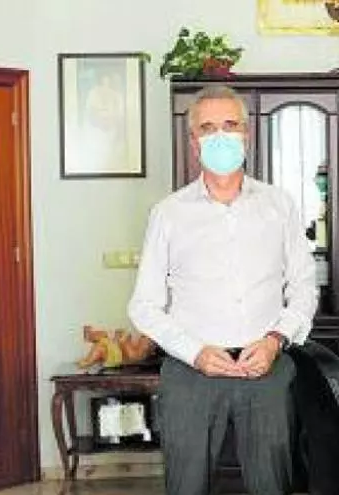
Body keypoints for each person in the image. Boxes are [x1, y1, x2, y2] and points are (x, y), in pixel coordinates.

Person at [128, 84, 318, 495]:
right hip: (190, 372)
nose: (220, 137)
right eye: (208, 128)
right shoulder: (168, 214)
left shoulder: (279, 205)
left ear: (247, 135)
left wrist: (275, 339)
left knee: (274, 484)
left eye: (230, 125)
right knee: (186, 485)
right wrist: (194, 352)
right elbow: (143, 305)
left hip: (265, 366)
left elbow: (304, 286)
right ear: (193, 142)